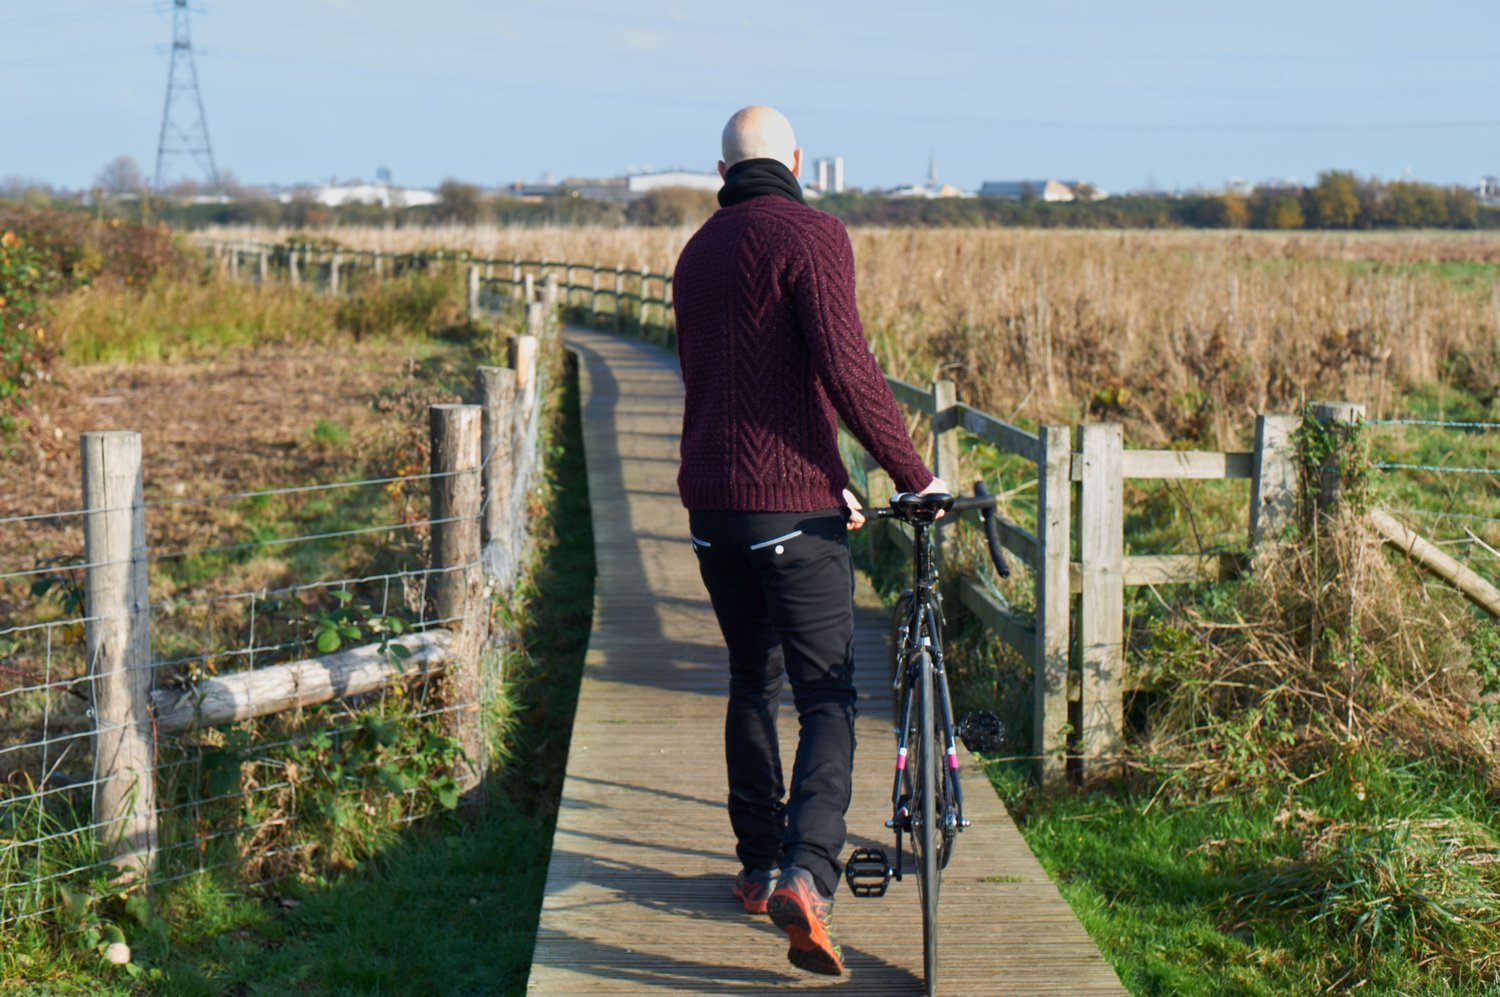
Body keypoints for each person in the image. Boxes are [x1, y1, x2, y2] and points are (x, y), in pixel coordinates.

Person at [672, 104, 948, 976]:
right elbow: (843, 364)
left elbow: (744, 387)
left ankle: (757, 866)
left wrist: (828, 474)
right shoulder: (813, 233)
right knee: (828, 695)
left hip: (714, 512)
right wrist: (913, 476)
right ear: (796, 160)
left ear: (722, 173)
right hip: (794, 515)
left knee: (750, 678)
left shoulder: (694, 255)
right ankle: (809, 870)